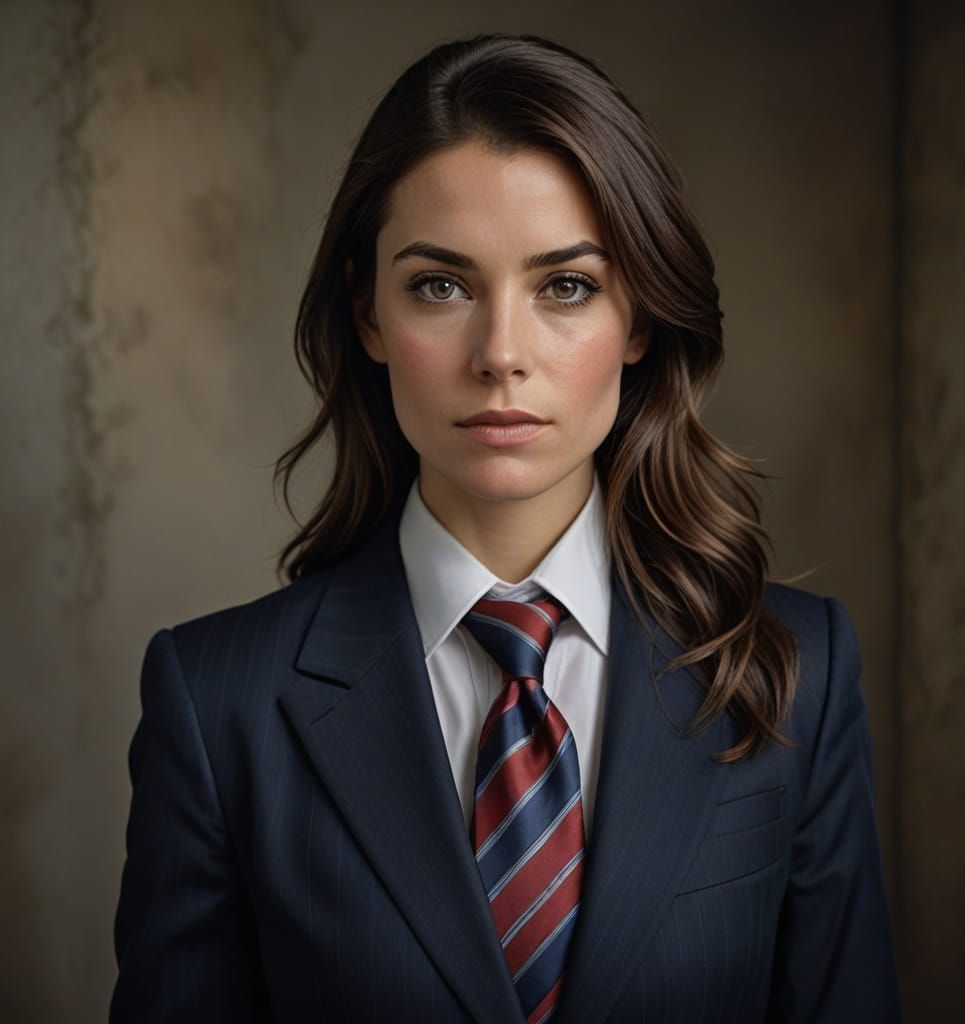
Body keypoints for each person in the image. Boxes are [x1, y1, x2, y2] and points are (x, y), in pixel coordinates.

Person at [109, 31, 901, 1024]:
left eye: (566, 286)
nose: (500, 353)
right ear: (367, 314)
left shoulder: (798, 673)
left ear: (639, 320)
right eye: (440, 286)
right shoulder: (218, 704)